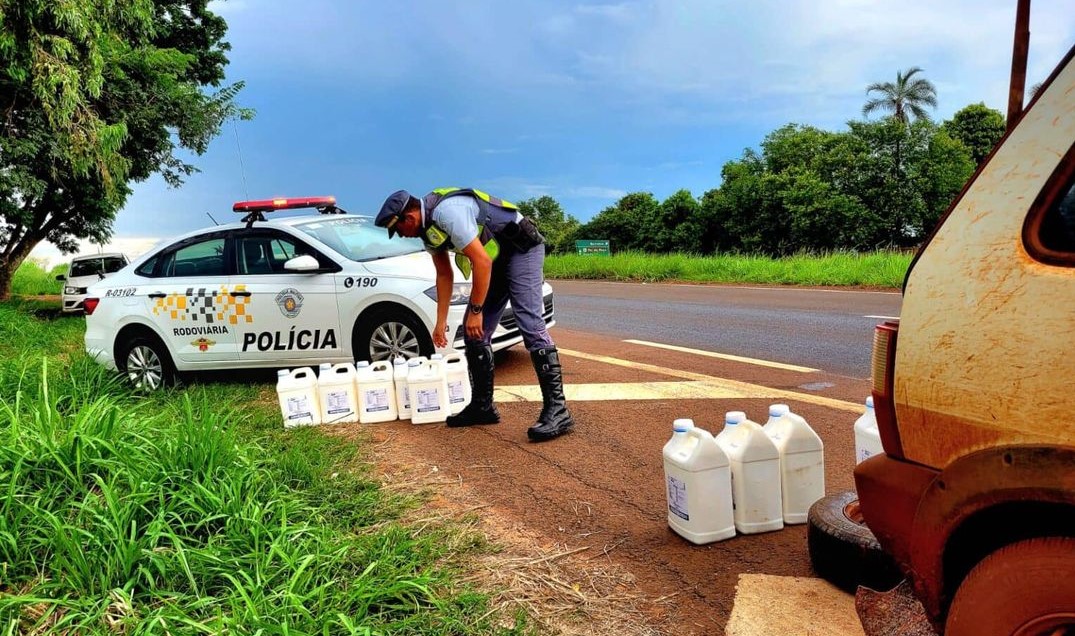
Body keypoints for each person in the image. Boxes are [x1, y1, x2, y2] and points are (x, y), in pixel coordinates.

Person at [374, 188, 575, 442]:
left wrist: (477, 312)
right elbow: (444, 275)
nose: (401, 235)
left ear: (409, 217)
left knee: (530, 325)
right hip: (496, 259)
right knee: (475, 335)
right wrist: (441, 321)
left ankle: (558, 410)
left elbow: (481, 262)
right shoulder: (428, 233)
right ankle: (483, 407)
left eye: (399, 229)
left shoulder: (448, 213)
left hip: (521, 250)